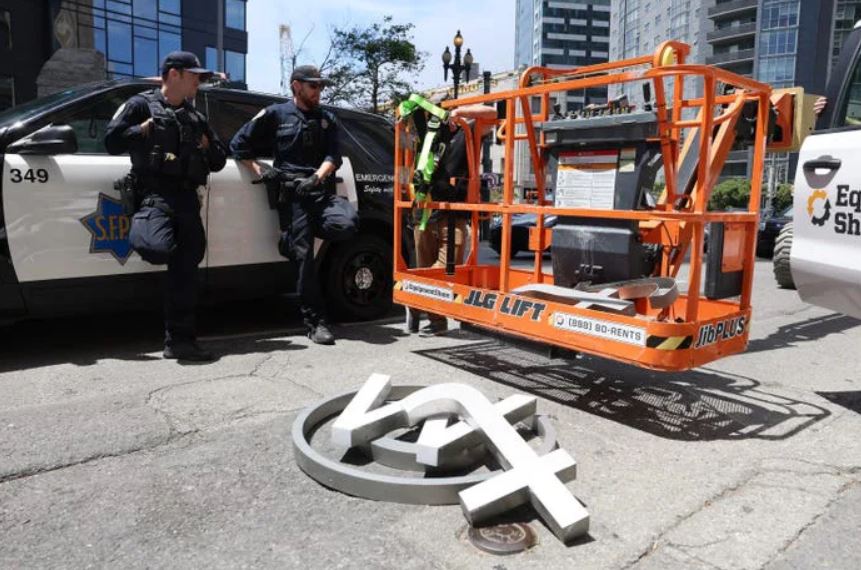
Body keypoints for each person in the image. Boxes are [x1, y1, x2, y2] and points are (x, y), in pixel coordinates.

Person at [105, 51, 227, 361]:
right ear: (174, 74)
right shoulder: (140, 104)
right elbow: (112, 141)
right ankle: (145, 228)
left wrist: (207, 146)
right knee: (155, 247)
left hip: (186, 198)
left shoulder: (196, 117)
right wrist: (141, 130)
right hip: (153, 194)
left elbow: (219, 161)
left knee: (186, 272)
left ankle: (181, 341)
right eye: (193, 76)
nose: (198, 82)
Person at [229, 65, 358, 345]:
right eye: (314, 86)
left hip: (318, 190)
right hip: (293, 195)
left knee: (347, 222)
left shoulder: (327, 118)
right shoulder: (276, 114)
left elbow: (333, 156)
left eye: (321, 86)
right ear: (296, 86)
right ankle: (316, 322)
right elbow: (239, 145)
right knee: (304, 259)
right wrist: (261, 170)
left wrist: (315, 178)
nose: (319, 91)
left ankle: (290, 240)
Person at [408, 103, 498, 336]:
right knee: (423, 269)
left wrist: (462, 112)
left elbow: (493, 114)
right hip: (425, 213)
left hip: (453, 215)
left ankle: (417, 299)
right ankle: (435, 320)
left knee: (446, 271)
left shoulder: (465, 130)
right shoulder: (425, 137)